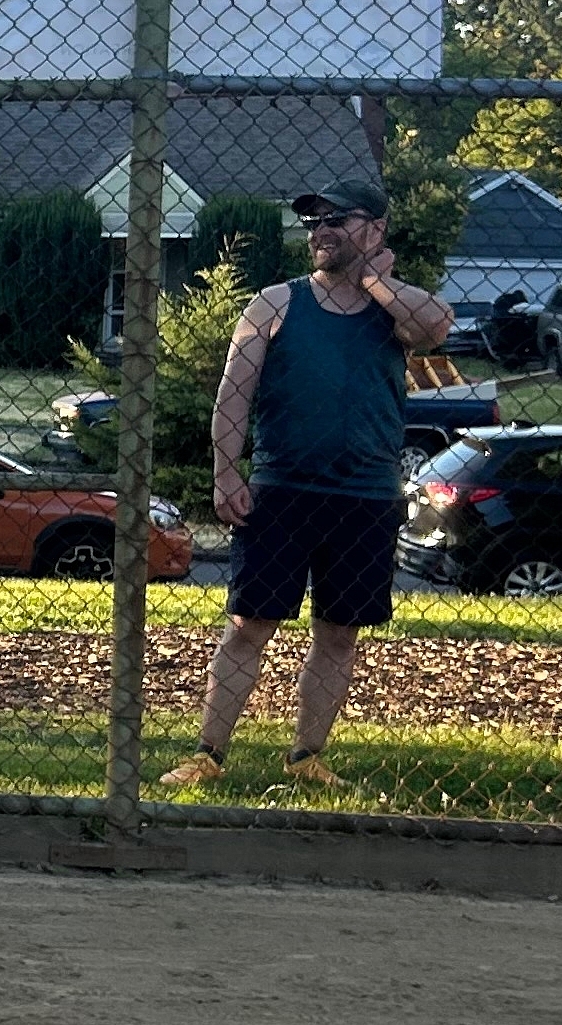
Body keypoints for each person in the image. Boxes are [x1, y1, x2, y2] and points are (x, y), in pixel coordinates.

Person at [160, 176, 452, 792]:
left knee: (339, 634)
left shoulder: (391, 310)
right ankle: (208, 754)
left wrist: (374, 278)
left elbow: (434, 330)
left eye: (336, 221)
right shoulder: (274, 304)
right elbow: (233, 395)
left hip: (366, 497)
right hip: (282, 492)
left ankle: (306, 759)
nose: (320, 232)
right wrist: (226, 473)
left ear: (375, 230)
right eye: (314, 223)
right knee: (248, 625)